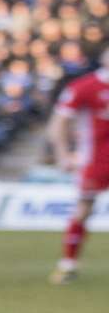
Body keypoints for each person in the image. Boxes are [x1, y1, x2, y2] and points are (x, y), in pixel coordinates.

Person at [48, 47, 109, 285]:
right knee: (84, 208)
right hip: (95, 160)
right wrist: (63, 154)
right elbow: (59, 122)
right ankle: (68, 264)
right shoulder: (85, 86)